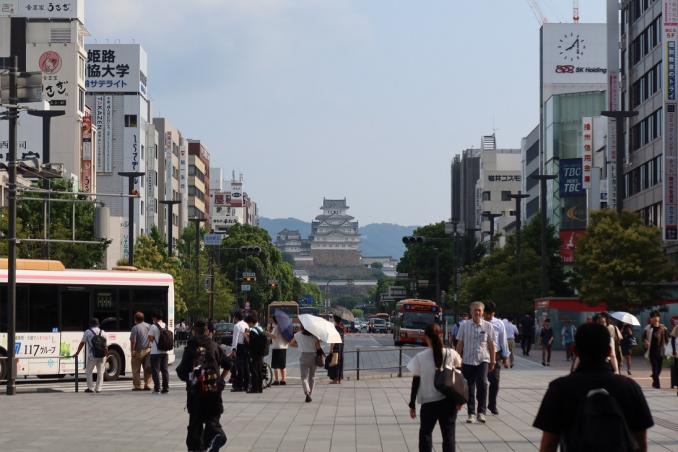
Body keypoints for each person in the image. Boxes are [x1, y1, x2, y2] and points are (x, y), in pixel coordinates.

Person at [533, 323, 654, 452]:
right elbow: (641, 442)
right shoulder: (629, 387)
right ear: (609, 351)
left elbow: (548, 444)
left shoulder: (560, 388)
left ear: (575, 350)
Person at [407, 323, 462, 452]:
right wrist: (459, 400)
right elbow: (459, 376)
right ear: (442, 335)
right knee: (448, 436)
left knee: (425, 434)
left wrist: (412, 404)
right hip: (448, 402)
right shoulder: (452, 354)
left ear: (426, 337)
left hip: (428, 403)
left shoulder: (420, 357)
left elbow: (416, 382)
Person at [176, 320, 229, 452]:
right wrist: (220, 379)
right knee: (212, 418)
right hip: (214, 389)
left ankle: (196, 447)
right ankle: (217, 433)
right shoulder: (215, 346)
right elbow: (229, 364)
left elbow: (182, 371)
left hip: (196, 391)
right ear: (207, 332)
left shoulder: (191, 347)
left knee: (195, 423)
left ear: (194, 331)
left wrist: (189, 378)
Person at [455, 301, 495, 424]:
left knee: (482, 384)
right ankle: (471, 413)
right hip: (467, 360)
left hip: (483, 359)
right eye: (475, 310)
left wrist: (493, 360)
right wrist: (456, 359)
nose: (477, 312)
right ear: (471, 312)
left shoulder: (488, 326)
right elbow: (460, 343)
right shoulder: (464, 325)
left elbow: (491, 345)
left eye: (479, 310)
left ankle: (481, 412)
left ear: (482, 312)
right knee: (469, 387)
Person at [483, 302, 509, 416]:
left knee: (495, 381)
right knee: (482, 382)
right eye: (487, 314)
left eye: (491, 314)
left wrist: (505, 357)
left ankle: (492, 404)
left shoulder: (499, 323)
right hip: (482, 355)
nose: (489, 316)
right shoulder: (479, 322)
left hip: (496, 354)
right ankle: (481, 406)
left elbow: (503, 340)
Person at [289, 323, 321, 403]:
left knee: (304, 377)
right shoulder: (314, 335)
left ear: (301, 327)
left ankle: (307, 392)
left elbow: (291, 344)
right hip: (313, 356)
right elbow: (318, 348)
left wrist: (300, 345)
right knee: (312, 377)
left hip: (303, 356)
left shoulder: (297, 335)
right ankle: (310, 394)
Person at [72, 317, 106, 393]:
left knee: (89, 371)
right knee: (100, 372)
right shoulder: (103, 332)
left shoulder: (88, 332)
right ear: (98, 324)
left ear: (91, 324)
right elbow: (105, 345)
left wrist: (77, 352)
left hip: (92, 355)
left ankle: (90, 388)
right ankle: (98, 389)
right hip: (102, 355)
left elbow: (82, 343)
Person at [642, 310, 669, 389]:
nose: (655, 318)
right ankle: (657, 384)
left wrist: (668, 348)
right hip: (651, 351)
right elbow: (643, 337)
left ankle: (654, 377)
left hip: (661, 351)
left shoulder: (663, 328)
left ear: (659, 318)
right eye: (653, 317)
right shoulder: (648, 327)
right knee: (654, 367)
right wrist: (646, 341)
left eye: (656, 316)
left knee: (659, 368)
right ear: (650, 319)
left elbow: (667, 339)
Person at [148, 311, 170, 394]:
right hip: (165, 351)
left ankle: (157, 388)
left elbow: (150, 338)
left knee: (155, 370)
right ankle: (165, 388)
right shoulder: (165, 325)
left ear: (154, 318)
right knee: (165, 370)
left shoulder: (153, 326)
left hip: (155, 352)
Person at [129, 311, 152, 391]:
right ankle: (147, 384)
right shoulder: (149, 326)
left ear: (135, 319)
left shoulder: (135, 328)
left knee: (136, 369)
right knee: (147, 368)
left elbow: (133, 341)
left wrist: (132, 351)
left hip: (138, 351)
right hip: (148, 350)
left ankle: (138, 386)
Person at [244, 312, 264, 393]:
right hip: (261, 353)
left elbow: (250, 344)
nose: (248, 325)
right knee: (259, 370)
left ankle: (254, 388)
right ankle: (260, 387)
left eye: (248, 323)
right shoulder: (260, 329)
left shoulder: (253, 331)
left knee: (254, 370)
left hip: (254, 353)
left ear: (251, 322)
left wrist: (246, 337)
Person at [230, 311, 249, 392]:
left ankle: (239, 386)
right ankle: (246, 385)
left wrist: (234, 349)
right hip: (246, 346)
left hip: (240, 347)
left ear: (236, 317)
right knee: (246, 366)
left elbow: (235, 338)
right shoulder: (246, 324)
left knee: (240, 367)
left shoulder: (237, 325)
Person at [269, 316, 288, 385]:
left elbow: (274, 336)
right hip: (283, 347)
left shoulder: (276, 327)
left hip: (277, 347)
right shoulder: (284, 327)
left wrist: (267, 333)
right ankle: (283, 379)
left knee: (276, 365)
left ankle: (276, 380)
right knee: (282, 365)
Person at [327, 315, 345, 384]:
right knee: (340, 363)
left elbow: (333, 340)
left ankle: (336, 380)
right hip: (341, 347)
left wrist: (331, 349)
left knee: (335, 363)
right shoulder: (341, 328)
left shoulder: (334, 329)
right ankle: (339, 379)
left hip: (336, 347)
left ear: (334, 320)